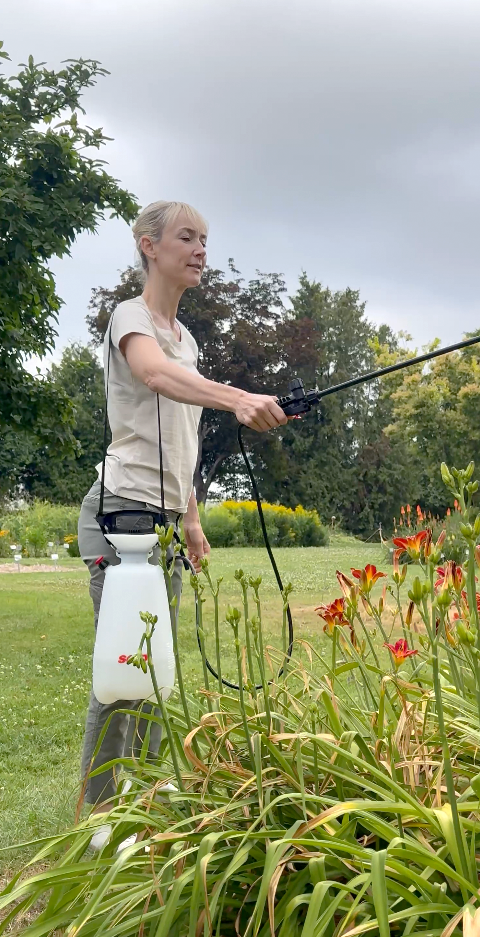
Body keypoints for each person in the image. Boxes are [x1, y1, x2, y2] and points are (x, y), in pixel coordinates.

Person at [77, 200, 287, 845]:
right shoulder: (131, 319)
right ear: (148, 245)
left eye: (205, 240)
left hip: (165, 520)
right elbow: (155, 377)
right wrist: (240, 398)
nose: (200, 250)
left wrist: (193, 520)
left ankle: (139, 805)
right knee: (124, 671)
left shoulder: (188, 338)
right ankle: (95, 820)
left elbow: (183, 437)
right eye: (186, 238)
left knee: (156, 669)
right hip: (120, 517)